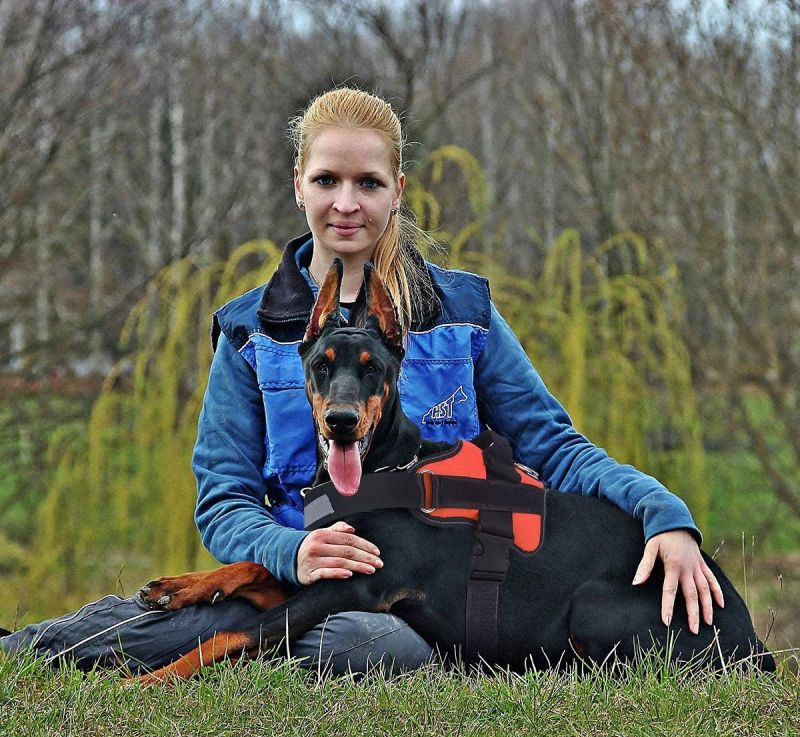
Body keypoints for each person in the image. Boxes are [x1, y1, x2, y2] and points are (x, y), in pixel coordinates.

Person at [0, 88, 723, 676]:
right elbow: (223, 500)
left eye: (368, 183)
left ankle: (245, 646)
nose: (347, 204)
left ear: (397, 191)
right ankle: (37, 647)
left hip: (425, 597)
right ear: (298, 185)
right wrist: (293, 552)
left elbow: (557, 448)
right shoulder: (251, 332)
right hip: (303, 579)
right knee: (232, 623)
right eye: (327, 181)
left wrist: (665, 514)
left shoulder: (462, 315)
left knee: (379, 647)